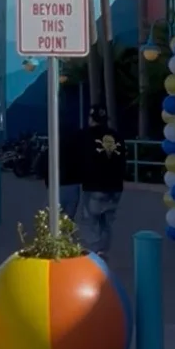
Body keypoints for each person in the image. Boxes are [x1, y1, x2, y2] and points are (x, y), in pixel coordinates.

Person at [75, 105, 126, 257]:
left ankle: (94, 252)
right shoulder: (117, 136)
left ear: (91, 118)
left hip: (94, 184)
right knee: (107, 222)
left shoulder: (85, 135)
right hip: (116, 186)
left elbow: (78, 158)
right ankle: (103, 250)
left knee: (90, 219)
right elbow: (123, 160)